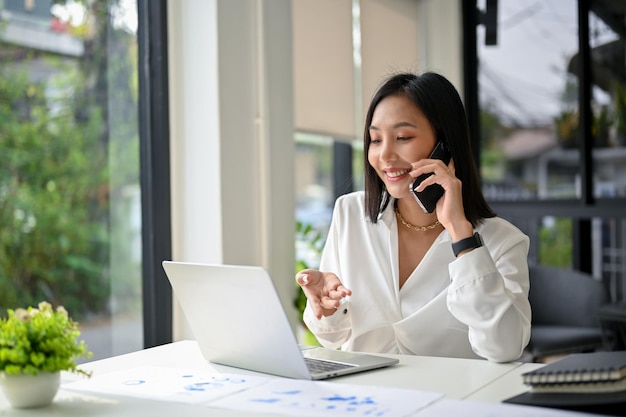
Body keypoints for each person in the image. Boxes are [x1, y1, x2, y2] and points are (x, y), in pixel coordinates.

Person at [295, 72, 531, 363]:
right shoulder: (350, 213)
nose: (385, 155)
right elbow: (332, 338)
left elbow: (504, 348)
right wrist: (328, 309)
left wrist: (461, 235)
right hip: (365, 400)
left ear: (445, 145)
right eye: (376, 139)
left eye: (403, 137)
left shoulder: (503, 241)